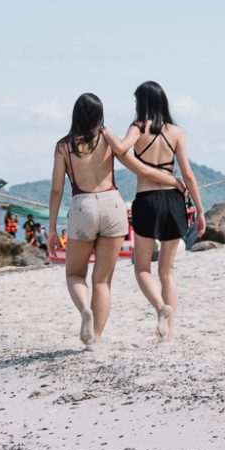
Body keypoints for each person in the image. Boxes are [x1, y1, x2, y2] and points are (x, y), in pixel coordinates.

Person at [48, 92, 177, 348]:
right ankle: (96, 337)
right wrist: (174, 181)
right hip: (113, 205)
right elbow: (139, 168)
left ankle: (85, 309)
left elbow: (56, 190)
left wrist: (52, 228)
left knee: (75, 274)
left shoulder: (64, 145)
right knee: (103, 280)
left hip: (83, 205)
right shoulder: (108, 138)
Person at [107, 80, 204, 340]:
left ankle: (160, 308)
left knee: (141, 268)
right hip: (173, 201)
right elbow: (188, 175)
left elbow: (120, 149)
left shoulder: (138, 128)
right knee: (167, 271)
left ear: (141, 102)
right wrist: (201, 211)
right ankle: (169, 333)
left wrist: (106, 133)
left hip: (147, 200)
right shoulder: (176, 132)